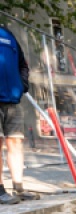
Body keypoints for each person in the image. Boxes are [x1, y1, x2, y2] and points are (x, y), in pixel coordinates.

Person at [0, 25, 39, 204]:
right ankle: (0, 190)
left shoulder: (8, 35)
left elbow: (22, 63)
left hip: (13, 100)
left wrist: (21, 85)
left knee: (15, 142)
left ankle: (19, 187)